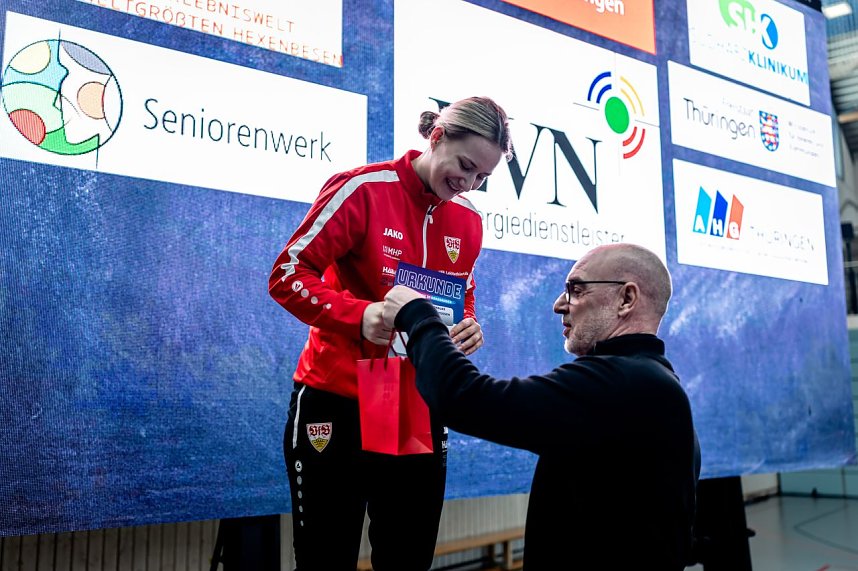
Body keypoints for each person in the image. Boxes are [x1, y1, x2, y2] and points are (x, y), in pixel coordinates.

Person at [268, 96, 514, 571]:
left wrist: (467, 324)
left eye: (482, 177)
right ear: (437, 136)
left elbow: (462, 290)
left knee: (406, 560)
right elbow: (287, 274)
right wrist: (361, 316)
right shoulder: (363, 189)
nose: (468, 183)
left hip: (409, 401)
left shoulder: (468, 219)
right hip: (338, 394)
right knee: (324, 561)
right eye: (465, 166)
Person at [382, 242, 701, 570]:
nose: (559, 304)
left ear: (627, 299)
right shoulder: (651, 382)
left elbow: (464, 397)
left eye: (577, 289)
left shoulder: (623, 383)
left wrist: (419, 315)